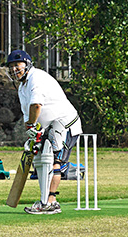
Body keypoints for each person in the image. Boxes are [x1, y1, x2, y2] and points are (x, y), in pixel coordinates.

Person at [6, 48, 84, 216]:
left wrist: (32, 126)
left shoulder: (36, 78)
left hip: (65, 123)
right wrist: (32, 134)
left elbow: (36, 106)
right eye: (11, 66)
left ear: (27, 64)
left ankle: (48, 201)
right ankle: (48, 202)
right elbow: (28, 115)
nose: (14, 69)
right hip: (46, 127)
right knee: (41, 161)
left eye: (17, 65)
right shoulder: (22, 88)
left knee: (54, 161)